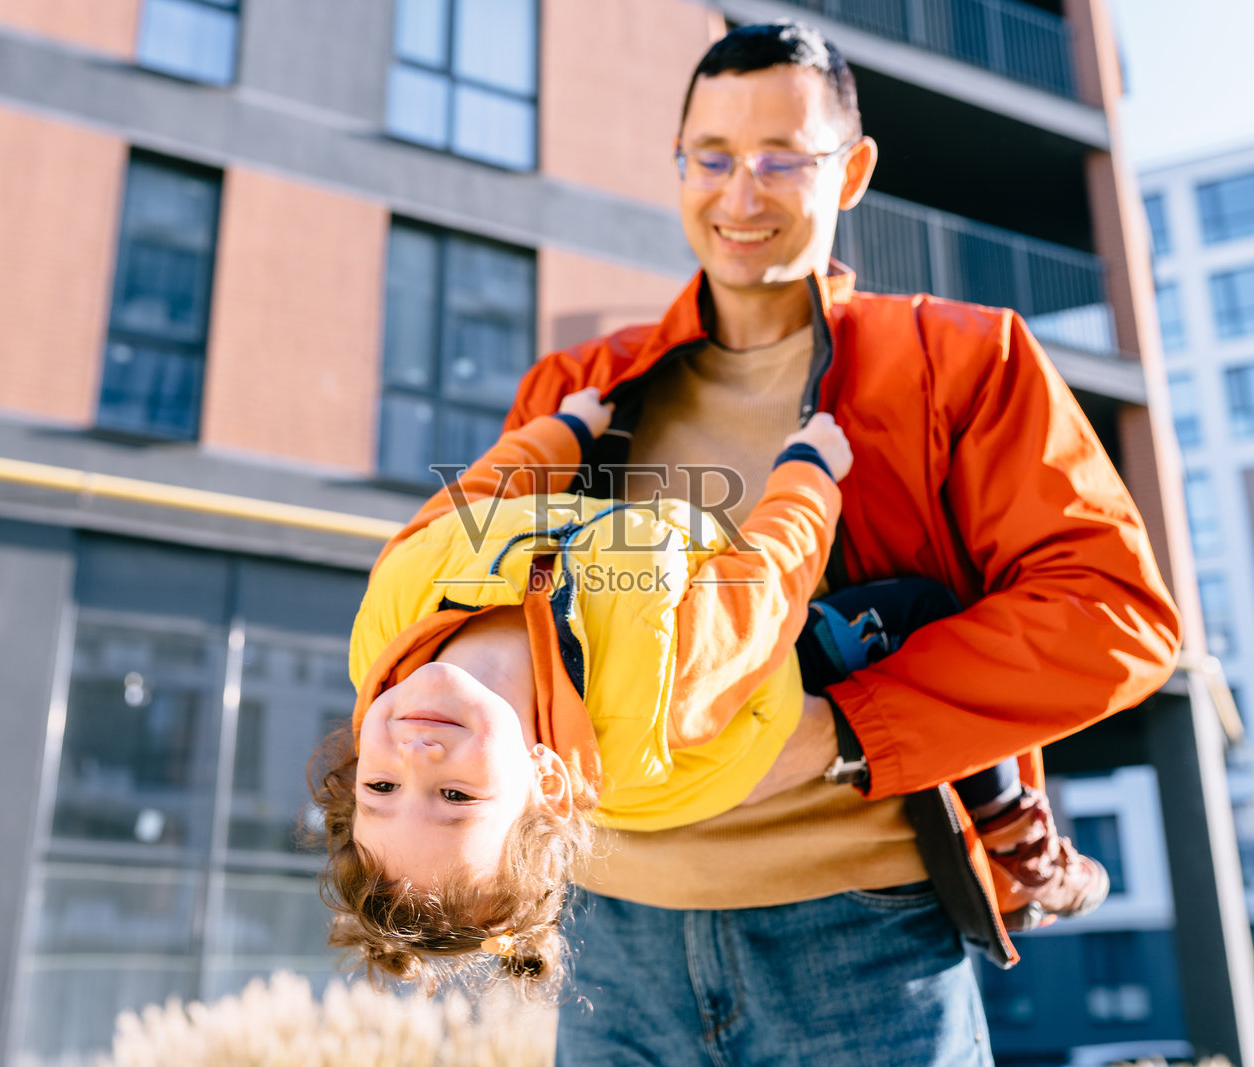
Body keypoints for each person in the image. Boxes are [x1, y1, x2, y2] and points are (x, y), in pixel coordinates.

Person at [492, 20, 1183, 1066]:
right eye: (712, 158)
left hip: (862, 948)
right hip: (609, 944)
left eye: (781, 159)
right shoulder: (573, 391)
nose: (739, 195)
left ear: (851, 170)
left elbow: (1114, 614)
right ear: (677, 162)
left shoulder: (963, 359)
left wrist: (840, 731)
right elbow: (490, 615)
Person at [314, 390, 851, 995]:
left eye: (381, 788)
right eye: (455, 795)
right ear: (544, 780)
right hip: (740, 709)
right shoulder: (666, 687)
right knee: (889, 617)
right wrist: (811, 467)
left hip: (578, 547)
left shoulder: (394, 608)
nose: (416, 757)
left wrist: (569, 428)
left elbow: (484, 493)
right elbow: (770, 578)